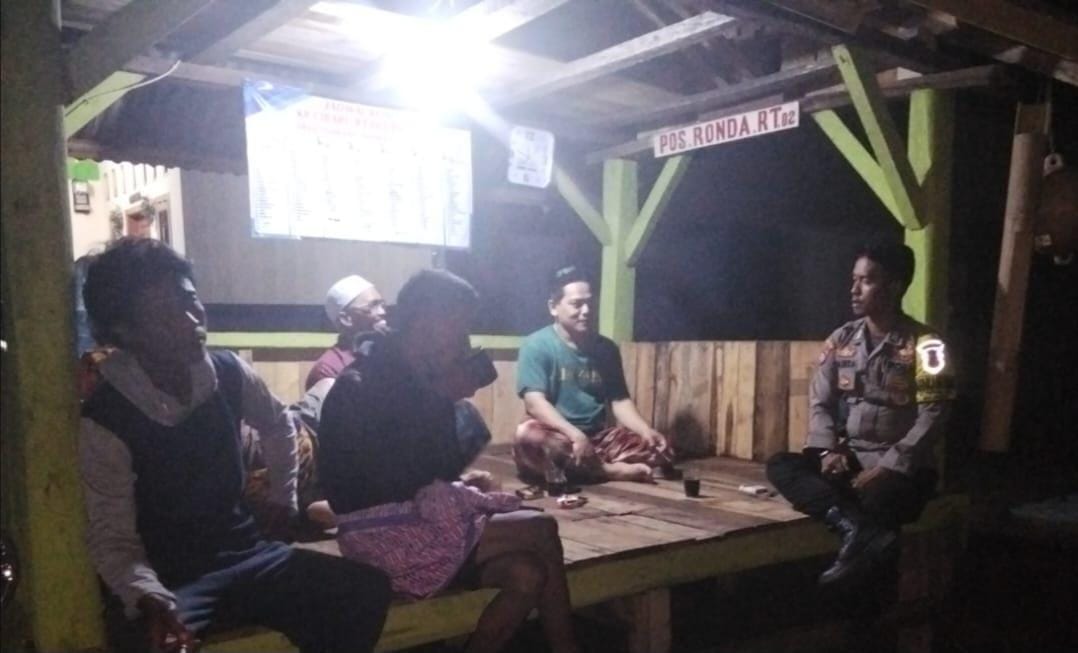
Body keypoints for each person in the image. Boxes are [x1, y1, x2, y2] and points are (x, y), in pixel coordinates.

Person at [79, 238, 389, 653]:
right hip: (173, 579)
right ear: (124, 330)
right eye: (165, 312)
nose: (191, 319)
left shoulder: (225, 371)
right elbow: (112, 537)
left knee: (364, 589)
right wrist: (148, 597)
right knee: (152, 643)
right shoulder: (107, 416)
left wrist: (282, 497)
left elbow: (279, 424)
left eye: (190, 300)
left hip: (248, 556)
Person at [319, 269, 579, 653]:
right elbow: (372, 487)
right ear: (428, 321)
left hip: (418, 524)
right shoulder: (362, 383)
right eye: (460, 325)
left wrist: (448, 403)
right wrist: (441, 400)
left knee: (527, 574)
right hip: (380, 538)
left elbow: (435, 470)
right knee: (541, 529)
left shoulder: (422, 378)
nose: (464, 339)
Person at [766, 242, 955, 586]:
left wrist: (888, 466)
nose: (854, 289)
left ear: (894, 286)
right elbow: (821, 403)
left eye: (866, 281)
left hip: (902, 470)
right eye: (854, 279)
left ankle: (868, 589)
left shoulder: (927, 344)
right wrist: (827, 452)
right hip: (852, 460)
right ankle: (854, 528)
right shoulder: (841, 339)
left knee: (879, 500)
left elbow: (934, 413)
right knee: (782, 465)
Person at [514, 266, 673, 485]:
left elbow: (619, 400)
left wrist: (645, 430)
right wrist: (574, 434)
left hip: (598, 437)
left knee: (661, 448)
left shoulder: (606, 348)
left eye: (590, 303)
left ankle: (586, 466)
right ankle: (607, 470)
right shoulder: (536, 345)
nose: (587, 310)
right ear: (553, 307)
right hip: (557, 434)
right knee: (528, 436)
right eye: (577, 304)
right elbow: (534, 403)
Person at [306, 274, 388, 390]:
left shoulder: (392, 352)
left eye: (382, 305)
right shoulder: (327, 370)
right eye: (373, 306)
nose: (382, 312)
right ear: (346, 319)